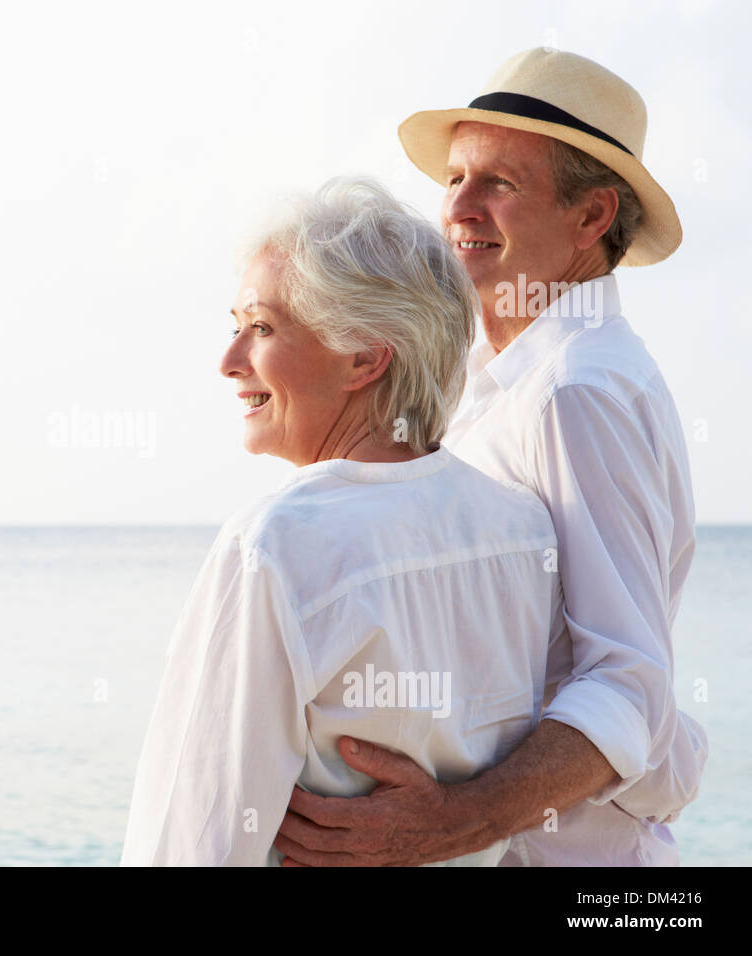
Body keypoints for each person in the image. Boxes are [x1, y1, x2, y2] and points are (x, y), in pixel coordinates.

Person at [275, 49, 707, 867]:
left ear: (591, 218)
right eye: (455, 179)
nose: (458, 208)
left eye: (498, 184)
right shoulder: (509, 377)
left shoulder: (573, 393)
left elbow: (627, 686)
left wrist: (454, 822)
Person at [120, 177, 562, 866]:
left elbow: (191, 839)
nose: (229, 361)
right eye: (234, 326)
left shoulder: (274, 545)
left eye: (261, 328)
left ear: (364, 357)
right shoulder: (524, 532)